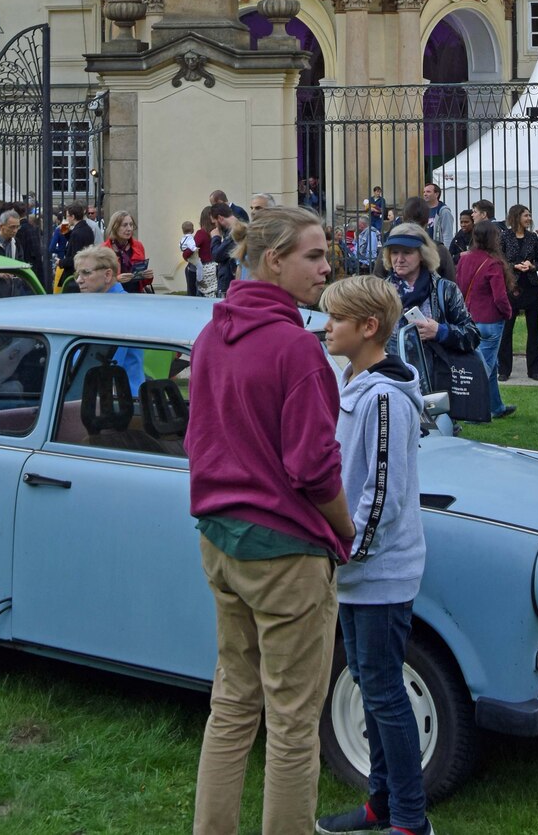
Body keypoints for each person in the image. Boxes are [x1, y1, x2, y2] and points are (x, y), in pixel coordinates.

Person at [186, 207, 355, 835]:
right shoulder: (295, 349)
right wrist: (343, 529)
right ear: (274, 259)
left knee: (232, 702)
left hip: (222, 540)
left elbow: (199, 440)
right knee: (290, 718)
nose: (325, 268)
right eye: (313, 256)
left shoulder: (211, 335)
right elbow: (314, 469)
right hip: (284, 551)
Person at [318, 277, 432, 835]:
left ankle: (411, 819)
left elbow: (381, 493)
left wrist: (347, 553)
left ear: (368, 327)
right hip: (355, 570)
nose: (326, 327)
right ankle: (381, 802)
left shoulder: (385, 398)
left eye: (336, 319)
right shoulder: (355, 383)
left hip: (378, 570)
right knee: (366, 679)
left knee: (385, 689)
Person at [380, 221, 479, 387]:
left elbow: (472, 336)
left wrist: (441, 331)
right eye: (394, 252)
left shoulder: (445, 290)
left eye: (407, 252)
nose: (399, 259)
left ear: (422, 255)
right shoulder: (379, 292)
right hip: (391, 385)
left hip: (436, 386)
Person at [456, 220, 516, 419]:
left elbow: (459, 287)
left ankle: (496, 406)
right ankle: (472, 410)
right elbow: (499, 296)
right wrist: (507, 313)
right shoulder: (493, 262)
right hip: (490, 320)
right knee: (483, 369)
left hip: (470, 318)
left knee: (489, 365)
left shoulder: (464, 259)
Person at [70, 245, 145, 395]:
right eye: (77, 274)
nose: (79, 280)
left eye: (86, 273)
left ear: (108, 275)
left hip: (119, 402)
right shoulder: (110, 305)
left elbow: (99, 364)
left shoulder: (117, 311)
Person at [499, 203, 538, 381]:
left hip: (530, 286)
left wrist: (532, 266)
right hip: (512, 287)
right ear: (516, 217)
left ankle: (534, 370)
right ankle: (504, 369)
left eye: (529, 215)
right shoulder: (504, 236)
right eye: (526, 215)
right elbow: (499, 260)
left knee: (533, 330)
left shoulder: (532, 237)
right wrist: (513, 266)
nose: (529, 218)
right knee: (507, 330)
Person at [105, 210, 152, 292]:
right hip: (114, 296)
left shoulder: (138, 246)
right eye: (124, 225)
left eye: (131, 225)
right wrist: (116, 279)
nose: (129, 229)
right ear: (115, 227)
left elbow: (143, 282)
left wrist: (147, 276)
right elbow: (99, 279)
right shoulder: (104, 249)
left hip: (136, 294)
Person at [421, 180, 454, 250]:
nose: (425, 194)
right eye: (424, 192)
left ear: (436, 194)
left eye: (428, 192)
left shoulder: (444, 211)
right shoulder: (422, 210)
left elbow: (447, 235)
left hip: (437, 251)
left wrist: (446, 253)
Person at [195, 206, 217, 297]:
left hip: (204, 268)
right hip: (215, 267)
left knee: (202, 295)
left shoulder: (201, 233)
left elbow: (191, 249)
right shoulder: (217, 232)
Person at [179, 220, 200, 296]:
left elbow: (184, 251)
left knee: (191, 289)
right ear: (193, 230)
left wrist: (185, 256)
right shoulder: (193, 238)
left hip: (191, 265)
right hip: (195, 264)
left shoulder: (183, 239)